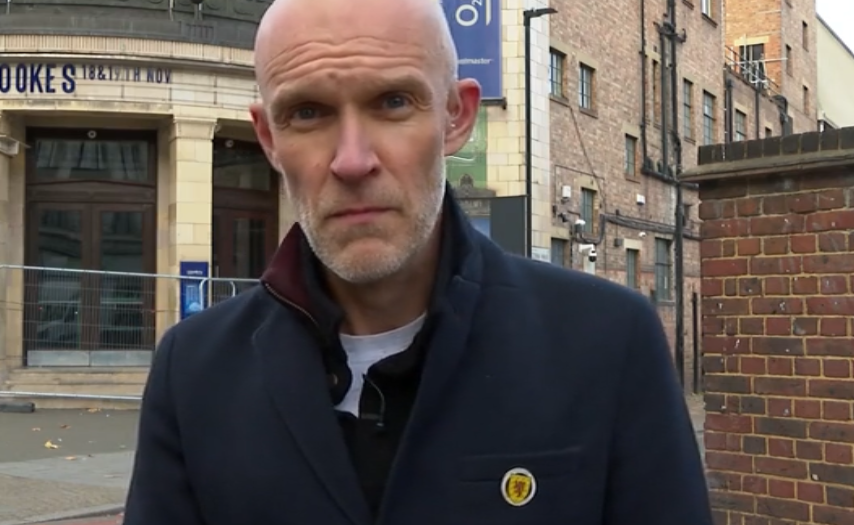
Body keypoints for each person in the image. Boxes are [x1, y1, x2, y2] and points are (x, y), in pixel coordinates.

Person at [122, 0, 713, 522]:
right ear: (270, 138)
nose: (352, 161)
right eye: (307, 113)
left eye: (393, 101)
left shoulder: (607, 343)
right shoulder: (193, 370)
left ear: (456, 116)